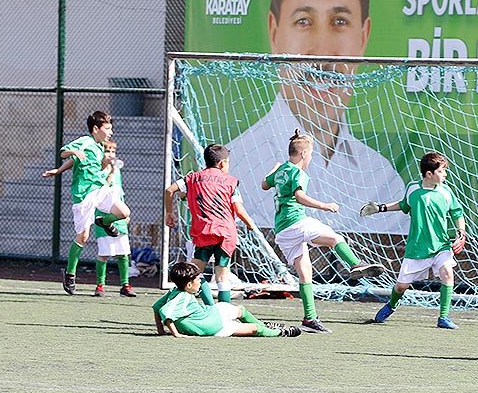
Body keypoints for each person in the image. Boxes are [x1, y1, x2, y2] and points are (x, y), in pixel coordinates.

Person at [226, 0, 407, 235]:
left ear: (363, 37)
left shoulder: (384, 177)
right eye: (304, 21)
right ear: (274, 33)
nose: (323, 51)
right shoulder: (241, 162)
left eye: (339, 21)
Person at [263, 130, 385, 334]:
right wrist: (324, 206)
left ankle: (310, 319)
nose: (311, 158)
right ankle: (355, 264)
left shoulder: (282, 169)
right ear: (303, 154)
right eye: (310, 154)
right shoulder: (297, 172)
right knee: (335, 238)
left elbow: (264, 184)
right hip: (296, 222)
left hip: (282, 231)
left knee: (305, 274)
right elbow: (299, 196)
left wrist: (273, 171)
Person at [362, 151, 466, 329]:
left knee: (448, 274)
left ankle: (443, 317)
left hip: (441, 245)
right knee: (401, 287)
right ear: (429, 174)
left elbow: (457, 213)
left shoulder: (446, 192)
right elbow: (403, 205)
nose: (445, 174)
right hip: (417, 248)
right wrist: (380, 208)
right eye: (442, 171)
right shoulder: (413, 188)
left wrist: (461, 232)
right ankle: (392, 305)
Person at [42, 110, 130, 295]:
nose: (110, 132)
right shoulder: (85, 141)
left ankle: (104, 221)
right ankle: (70, 273)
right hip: (84, 195)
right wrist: (61, 167)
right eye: (108, 128)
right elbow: (65, 153)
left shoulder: (100, 147)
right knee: (83, 237)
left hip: (100, 189)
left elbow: (83, 162)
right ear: (96, 128)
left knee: (124, 212)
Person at [163, 143, 259, 304]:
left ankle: (173, 305)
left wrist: (170, 213)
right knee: (222, 275)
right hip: (225, 233)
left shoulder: (192, 178)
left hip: (204, 231)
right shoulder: (231, 181)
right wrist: (250, 223)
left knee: (193, 273)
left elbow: (169, 190)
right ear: (222, 163)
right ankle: (224, 312)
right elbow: (239, 209)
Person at [152, 261, 300, 338]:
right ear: (189, 284)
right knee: (256, 329)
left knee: (241, 311)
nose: (200, 282)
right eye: (198, 280)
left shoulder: (175, 290)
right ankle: (280, 332)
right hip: (217, 327)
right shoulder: (182, 297)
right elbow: (166, 312)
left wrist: (160, 331)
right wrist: (176, 334)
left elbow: (156, 307)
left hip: (213, 312)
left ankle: (265, 325)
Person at [90, 140, 134, 297]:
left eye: (113, 151)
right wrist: (109, 171)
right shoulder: (99, 169)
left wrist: (125, 214)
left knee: (123, 252)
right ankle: (100, 285)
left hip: (117, 215)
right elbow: (102, 188)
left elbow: (119, 193)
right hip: (104, 214)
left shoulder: (118, 171)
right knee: (104, 253)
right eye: (107, 151)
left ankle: (125, 285)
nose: (110, 154)